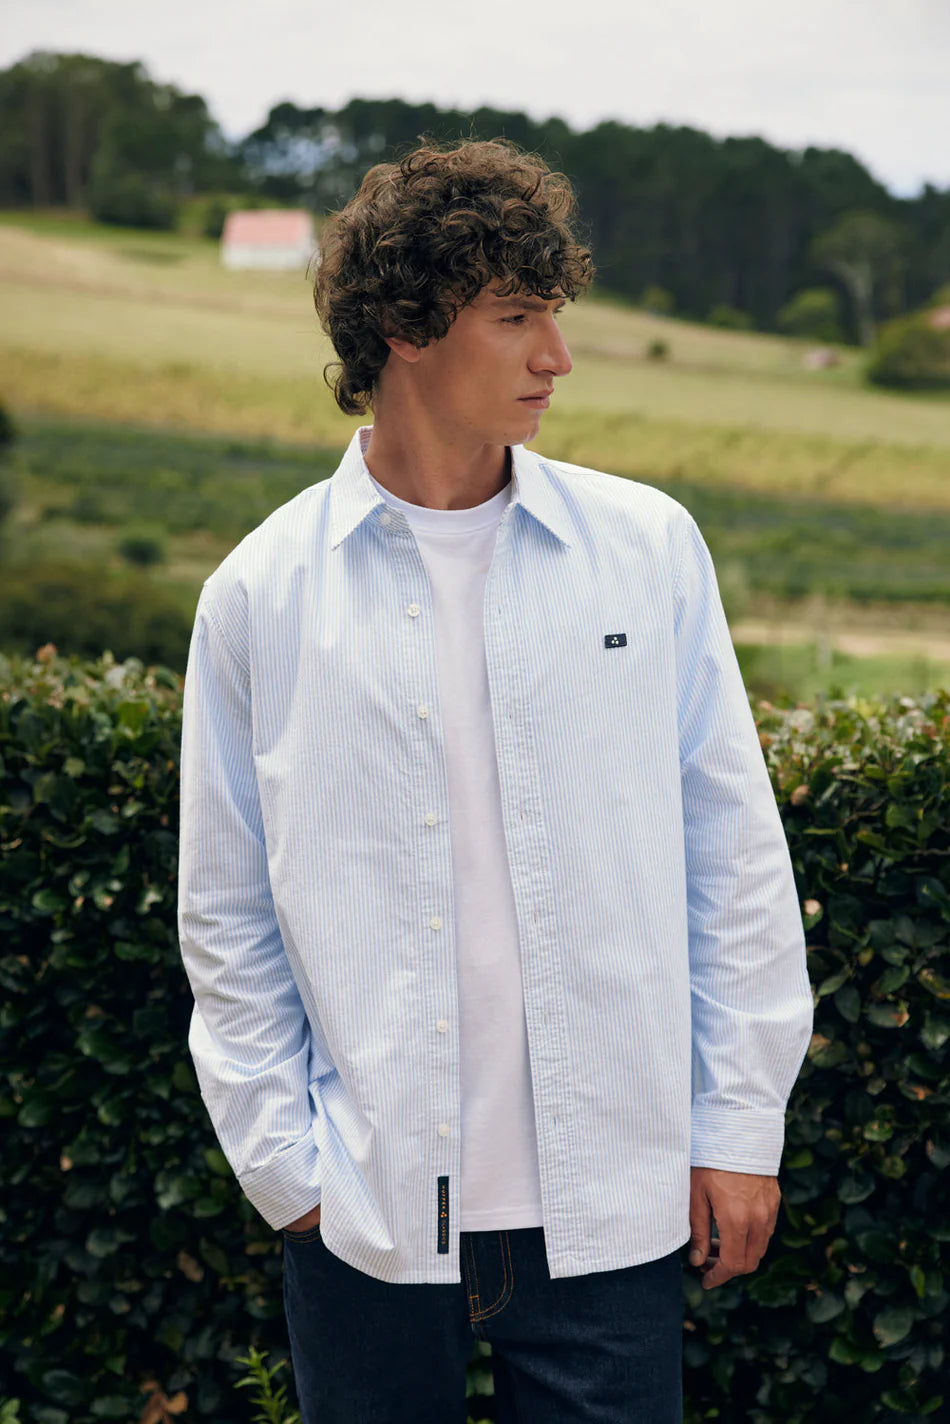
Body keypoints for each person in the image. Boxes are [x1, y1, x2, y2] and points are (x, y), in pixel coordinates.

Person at [177, 139, 813, 1424]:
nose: (555, 357)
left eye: (551, 316)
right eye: (516, 318)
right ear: (407, 327)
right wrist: (285, 1169)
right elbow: (227, 908)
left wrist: (737, 1125)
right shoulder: (261, 593)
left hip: (614, 1198)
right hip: (363, 1210)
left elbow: (730, 852)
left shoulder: (647, 549)